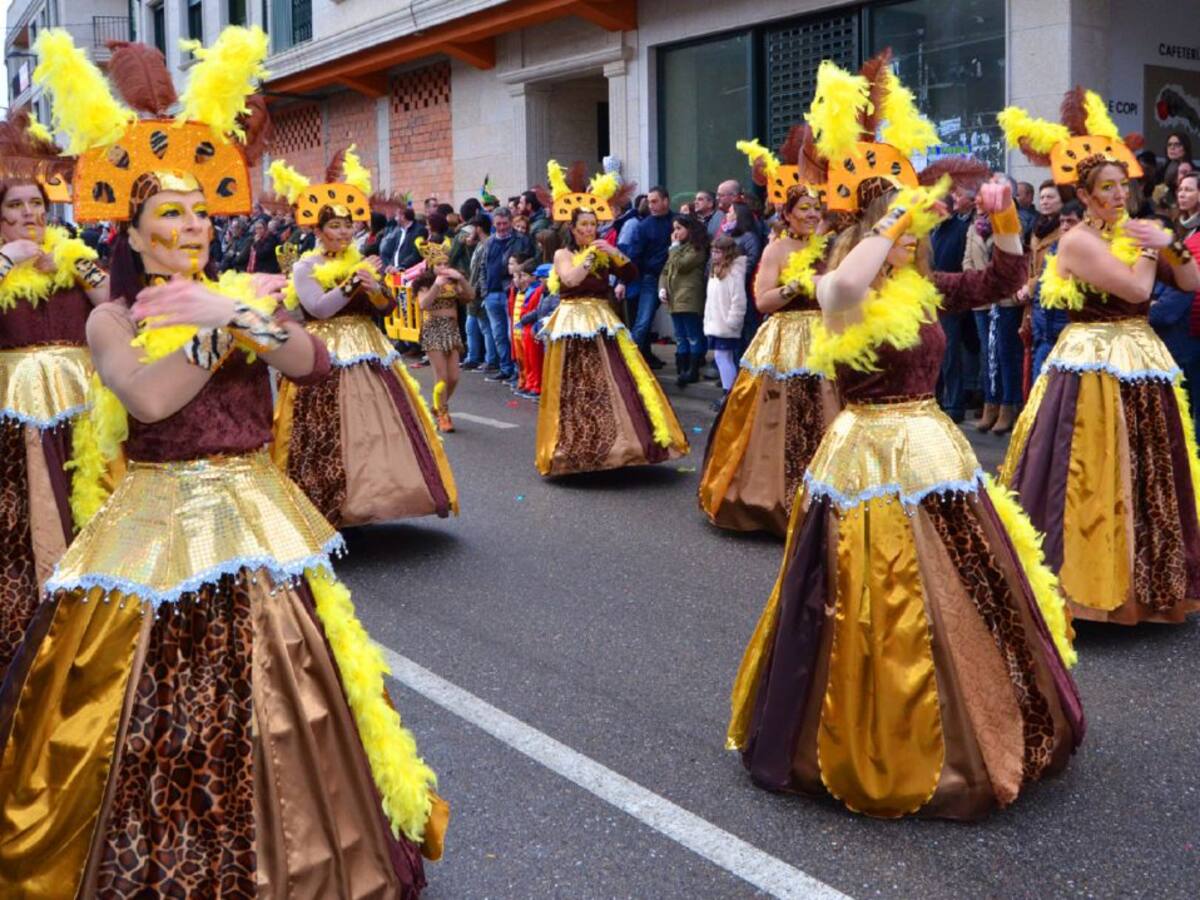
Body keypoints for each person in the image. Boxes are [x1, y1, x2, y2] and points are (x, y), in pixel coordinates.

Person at [1, 26, 445, 894]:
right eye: (171, 213)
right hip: (155, 522)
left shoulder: (249, 292)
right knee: (149, 703)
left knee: (290, 696)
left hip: (256, 512)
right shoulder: (110, 318)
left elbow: (310, 364)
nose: (192, 225)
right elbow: (150, 401)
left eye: (203, 210)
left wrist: (237, 312)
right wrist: (219, 326)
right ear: (132, 228)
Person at [730, 56, 1081, 821]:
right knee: (874, 596)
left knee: (966, 587)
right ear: (872, 224)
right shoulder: (839, 282)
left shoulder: (922, 288)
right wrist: (896, 209)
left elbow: (998, 285)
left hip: (933, 450)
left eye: (917, 226)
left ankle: (982, 720)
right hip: (864, 457)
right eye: (904, 226)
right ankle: (885, 736)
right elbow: (843, 290)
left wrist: (1006, 221)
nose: (916, 235)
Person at [1000, 87, 1200, 625]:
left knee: (1149, 470)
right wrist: (1149, 246)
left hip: (1142, 360)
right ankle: (1085, 586)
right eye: (1106, 189)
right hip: (1092, 362)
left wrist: (1171, 244)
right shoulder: (1078, 242)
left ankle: (1152, 582)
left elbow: (1192, 277)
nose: (1118, 195)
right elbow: (1137, 291)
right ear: (1085, 197)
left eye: (1122, 186)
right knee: (1090, 469)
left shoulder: (1131, 230)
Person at [269, 147, 458, 526]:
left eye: (347, 225)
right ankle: (327, 502)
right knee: (328, 428)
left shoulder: (361, 260)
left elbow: (386, 309)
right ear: (317, 230)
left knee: (378, 428)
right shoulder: (307, 266)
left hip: (368, 348)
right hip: (323, 352)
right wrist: (353, 281)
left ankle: (378, 498)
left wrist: (374, 288)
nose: (343, 232)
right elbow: (319, 309)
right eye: (334, 226)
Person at [0, 108, 109, 681]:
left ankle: (92, 627)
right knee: (25, 527)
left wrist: (75, 266)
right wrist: (6, 262)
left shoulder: (75, 258)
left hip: (82, 419)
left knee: (89, 508)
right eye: (15, 206)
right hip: (15, 422)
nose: (28, 215)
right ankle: (31, 630)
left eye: (36, 205)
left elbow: (118, 307)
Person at [698, 125, 844, 535]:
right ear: (788, 213)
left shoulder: (829, 247)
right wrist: (791, 287)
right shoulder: (777, 248)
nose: (812, 214)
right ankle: (770, 497)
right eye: (805, 209)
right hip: (785, 338)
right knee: (779, 417)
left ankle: (830, 498)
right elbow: (762, 301)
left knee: (828, 411)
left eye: (817, 208)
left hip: (825, 337)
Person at [535, 161, 689, 476]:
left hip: (602, 318)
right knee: (577, 384)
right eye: (584, 226)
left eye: (594, 225)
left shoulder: (605, 248)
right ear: (573, 229)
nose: (590, 230)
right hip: (573, 321)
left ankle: (623, 445)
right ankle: (578, 448)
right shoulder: (563, 254)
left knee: (617, 380)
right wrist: (591, 255)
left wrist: (614, 253)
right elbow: (571, 279)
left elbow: (631, 274)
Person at [966, 175, 1023, 434]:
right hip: (982, 300)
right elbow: (967, 260)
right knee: (987, 356)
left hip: (1006, 300)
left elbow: (1016, 258)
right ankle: (990, 404)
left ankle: (1008, 405)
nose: (980, 199)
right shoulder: (973, 226)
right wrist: (978, 285)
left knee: (1005, 353)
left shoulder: (1014, 222)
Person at [414, 236, 473, 432]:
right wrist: (437, 284)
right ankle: (443, 414)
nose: (443, 266)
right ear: (431, 264)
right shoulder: (424, 283)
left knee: (454, 377)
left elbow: (470, 296)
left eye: (445, 263)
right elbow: (424, 304)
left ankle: (438, 406)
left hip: (452, 329)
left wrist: (461, 279)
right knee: (441, 376)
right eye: (439, 263)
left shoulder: (453, 282)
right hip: (433, 329)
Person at [931, 183, 978, 422]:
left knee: (951, 355)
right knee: (935, 353)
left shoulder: (961, 229)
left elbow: (964, 265)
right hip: (932, 301)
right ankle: (935, 399)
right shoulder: (932, 232)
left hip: (952, 301)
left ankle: (954, 404)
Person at [473, 207, 529, 384]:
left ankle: (517, 371)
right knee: (498, 334)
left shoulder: (521, 240)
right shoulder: (489, 242)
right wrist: (485, 291)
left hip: (510, 293)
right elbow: (483, 267)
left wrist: (515, 283)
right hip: (491, 293)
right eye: (498, 224)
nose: (502, 227)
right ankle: (505, 368)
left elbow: (527, 263)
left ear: (511, 222)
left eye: (505, 223)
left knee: (512, 334)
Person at [623, 185, 673, 368]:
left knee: (686, 320)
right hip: (651, 278)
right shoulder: (644, 226)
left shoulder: (677, 221)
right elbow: (634, 255)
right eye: (649, 202)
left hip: (677, 278)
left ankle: (691, 360)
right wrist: (624, 280)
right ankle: (632, 361)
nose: (650, 205)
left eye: (655, 201)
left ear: (665, 201)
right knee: (643, 321)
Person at [658, 213, 709, 386]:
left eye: (679, 228)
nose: (676, 233)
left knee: (692, 335)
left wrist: (673, 247)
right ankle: (682, 368)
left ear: (690, 229)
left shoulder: (697, 248)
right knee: (680, 335)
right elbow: (666, 270)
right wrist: (662, 288)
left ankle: (693, 370)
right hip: (674, 297)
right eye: (674, 229)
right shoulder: (677, 248)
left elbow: (682, 264)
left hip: (689, 296)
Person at [701, 235, 746, 407]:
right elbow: (711, 299)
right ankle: (728, 392)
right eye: (713, 251)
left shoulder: (734, 272)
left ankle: (729, 394)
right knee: (722, 357)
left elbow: (738, 299)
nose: (714, 254)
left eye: (718, 251)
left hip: (726, 324)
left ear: (727, 253)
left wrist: (732, 321)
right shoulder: (715, 270)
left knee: (723, 357)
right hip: (716, 322)